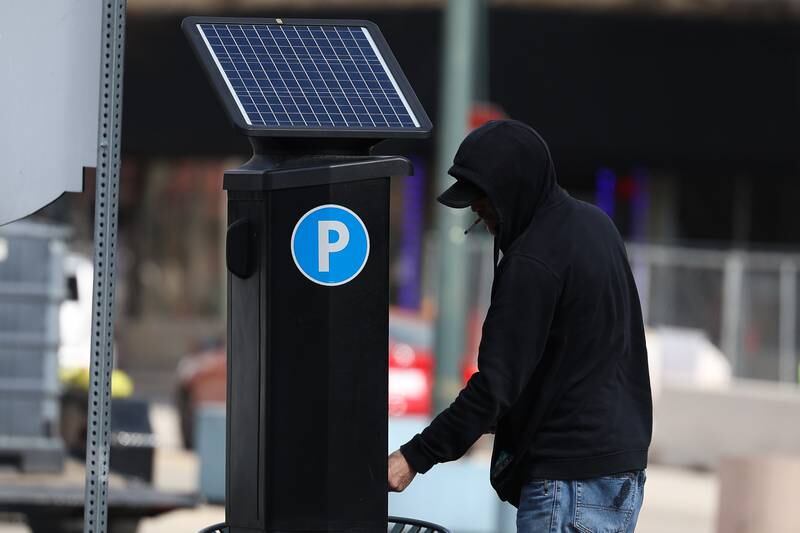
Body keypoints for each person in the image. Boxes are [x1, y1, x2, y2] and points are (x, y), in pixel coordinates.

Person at [387, 120, 652, 532]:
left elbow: (496, 384)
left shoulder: (532, 260)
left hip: (568, 482)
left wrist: (414, 457)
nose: (478, 209)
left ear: (512, 189)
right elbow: (575, 357)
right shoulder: (595, 227)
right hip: (618, 473)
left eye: (483, 197)